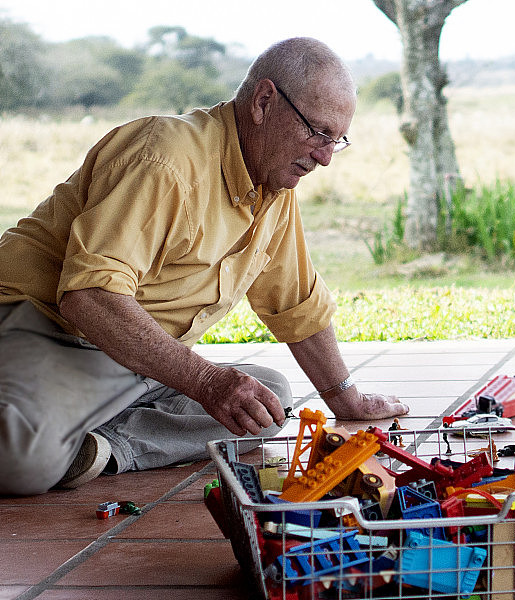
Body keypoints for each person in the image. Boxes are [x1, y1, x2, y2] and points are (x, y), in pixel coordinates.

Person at [0, 37, 408, 496]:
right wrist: (204, 381)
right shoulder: (165, 158)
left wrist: (347, 399)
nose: (325, 157)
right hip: (42, 332)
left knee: (267, 401)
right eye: (317, 132)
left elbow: (295, 304)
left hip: (133, 363)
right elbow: (90, 297)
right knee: (23, 457)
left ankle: (103, 447)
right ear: (264, 102)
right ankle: (56, 429)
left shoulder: (273, 186)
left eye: (336, 140)